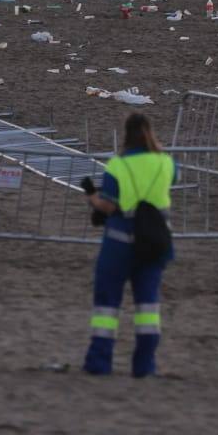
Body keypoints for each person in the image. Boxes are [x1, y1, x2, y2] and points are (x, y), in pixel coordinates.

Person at [82, 114, 175, 377]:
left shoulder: (117, 166)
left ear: (125, 135)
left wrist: (91, 196)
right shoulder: (165, 163)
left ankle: (99, 363)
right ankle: (144, 366)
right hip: (155, 243)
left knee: (107, 307)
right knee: (148, 307)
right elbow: (170, 182)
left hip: (119, 243)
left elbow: (108, 205)